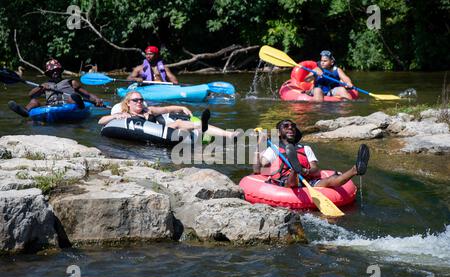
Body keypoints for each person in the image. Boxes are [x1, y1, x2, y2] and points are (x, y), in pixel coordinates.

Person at [254, 119, 370, 188]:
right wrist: (259, 145)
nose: (291, 128)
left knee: (331, 180)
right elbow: (257, 169)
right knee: (291, 183)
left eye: (293, 126)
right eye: (286, 126)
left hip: (307, 179)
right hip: (286, 181)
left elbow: (315, 169)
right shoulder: (274, 149)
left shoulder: (305, 148)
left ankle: (355, 169)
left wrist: (307, 171)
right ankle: (295, 169)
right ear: (278, 133)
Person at [98, 91, 239, 139]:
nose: (140, 102)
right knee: (178, 124)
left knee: (186, 125)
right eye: (136, 100)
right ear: (128, 103)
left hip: (162, 131)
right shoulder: (124, 114)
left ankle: (228, 135)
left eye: (141, 99)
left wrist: (181, 107)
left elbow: (166, 109)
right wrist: (114, 116)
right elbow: (101, 121)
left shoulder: (149, 110)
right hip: (152, 133)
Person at [8, 59, 103, 117]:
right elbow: (31, 95)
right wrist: (40, 88)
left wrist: (96, 99)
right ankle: (25, 111)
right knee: (34, 101)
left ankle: (79, 104)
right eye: (52, 71)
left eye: (57, 70)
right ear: (48, 74)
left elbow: (87, 94)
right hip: (52, 106)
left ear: (60, 71)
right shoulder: (45, 85)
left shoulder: (71, 82)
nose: (55, 72)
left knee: (72, 97)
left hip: (70, 106)